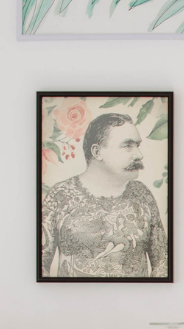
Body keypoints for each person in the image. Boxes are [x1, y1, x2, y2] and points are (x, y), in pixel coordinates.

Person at [40, 112, 168, 279]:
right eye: (128, 146)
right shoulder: (60, 195)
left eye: (137, 145)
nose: (139, 155)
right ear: (97, 152)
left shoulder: (142, 195)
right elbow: (38, 264)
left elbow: (163, 262)